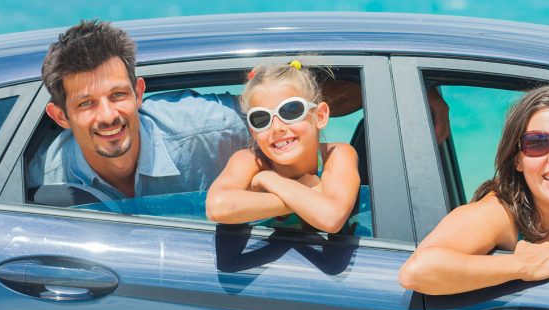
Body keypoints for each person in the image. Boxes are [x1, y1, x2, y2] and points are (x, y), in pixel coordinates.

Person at [398, 83, 549, 295]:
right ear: (517, 160)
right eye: (537, 143)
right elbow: (417, 271)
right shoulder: (499, 213)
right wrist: (520, 265)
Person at [29, 19, 249, 202]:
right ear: (60, 116)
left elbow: (276, 121)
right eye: (86, 103)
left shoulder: (212, 128)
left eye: (118, 95)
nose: (108, 116)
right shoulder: (40, 178)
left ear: (139, 93)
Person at [206, 60, 361, 234]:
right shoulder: (250, 160)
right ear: (253, 131)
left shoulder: (336, 155)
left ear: (320, 116)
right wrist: (305, 191)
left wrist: (270, 180)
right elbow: (217, 207)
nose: (277, 127)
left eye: (291, 111)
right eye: (261, 119)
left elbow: (331, 218)